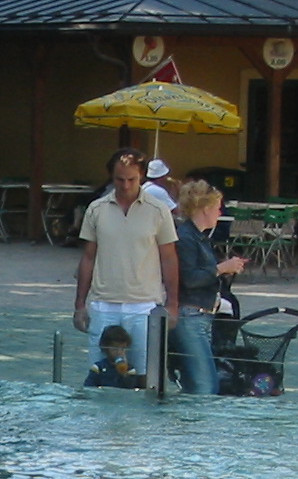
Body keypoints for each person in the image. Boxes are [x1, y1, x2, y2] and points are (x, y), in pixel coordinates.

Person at [73, 149, 179, 382]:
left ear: (142, 176)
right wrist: (80, 304)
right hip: (103, 304)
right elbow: (88, 257)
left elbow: (169, 258)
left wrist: (172, 304)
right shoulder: (96, 209)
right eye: (119, 179)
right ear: (111, 177)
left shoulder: (158, 209)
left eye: (132, 179)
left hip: (144, 306)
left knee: (144, 377)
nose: (126, 185)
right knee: (99, 376)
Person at [171, 181, 247, 395]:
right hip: (191, 315)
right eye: (217, 207)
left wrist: (224, 269)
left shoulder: (198, 236)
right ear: (205, 208)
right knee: (206, 384)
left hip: (201, 315)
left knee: (197, 380)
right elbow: (190, 278)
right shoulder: (187, 237)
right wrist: (221, 268)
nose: (219, 212)